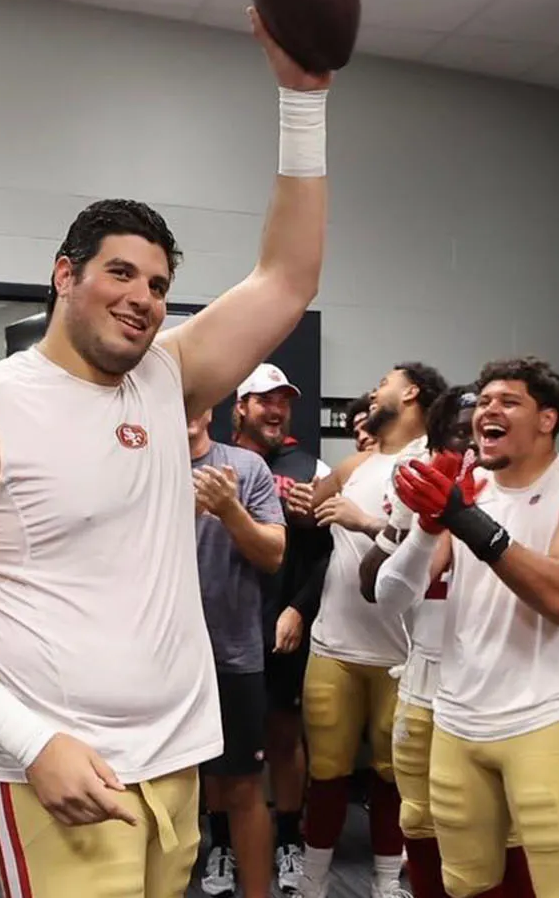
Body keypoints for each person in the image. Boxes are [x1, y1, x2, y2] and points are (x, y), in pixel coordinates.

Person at [0, 8, 329, 898]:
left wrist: (303, 97)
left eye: (159, 284)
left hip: (174, 757)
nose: (144, 298)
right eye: (120, 273)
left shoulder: (166, 381)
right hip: (58, 765)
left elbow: (287, 278)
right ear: (64, 274)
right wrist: (30, 739)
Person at [385, 361, 559, 898]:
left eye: (508, 402)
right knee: (466, 885)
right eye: (485, 401)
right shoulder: (472, 488)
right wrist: (426, 529)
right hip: (458, 718)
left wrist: (465, 519)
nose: (489, 410)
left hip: (545, 718)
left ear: (547, 419)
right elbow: (393, 594)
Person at [363, 384, 542, 898]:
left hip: (494, 686)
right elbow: (386, 594)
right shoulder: (423, 487)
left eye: (480, 433)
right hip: (423, 681)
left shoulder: (522, 497)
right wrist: (418, 525)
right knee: (419, 823)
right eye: (459, 433)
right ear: (438, 439)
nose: (470, 445)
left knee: (501, 835)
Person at [294, 362, 447, 898]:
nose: (375, 388)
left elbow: (437, 548)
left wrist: (363, 521)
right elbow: (311, 510)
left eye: (385, 380)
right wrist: (303, 500)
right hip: (333, 644)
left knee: (390, 776)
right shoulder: (356, 462)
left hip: (398, 651)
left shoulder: (433, 462)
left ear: (410, 393)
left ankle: (385, 883)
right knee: (328, 772)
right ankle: (312, 882)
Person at [230, 363, 330, 893]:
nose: (275, 410)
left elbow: (327, 552)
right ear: (241, 407)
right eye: (264, 400)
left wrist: (298, 609)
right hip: (226, 623)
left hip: (283, 624)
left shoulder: (310, 465)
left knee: (285, 737)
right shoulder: (218, 460)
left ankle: (290, 840)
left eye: (283, 401)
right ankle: (222, 843)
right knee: (221, 742)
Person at [185, 406, 286, 898]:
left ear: (209, 407)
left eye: (193, 398)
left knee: (245, 786)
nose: (184, 409)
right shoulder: (135, 466)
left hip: (232, 653)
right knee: (169, 790)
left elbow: (272, 555)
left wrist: (228, 508)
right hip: (157, 658)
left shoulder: (246, 469)